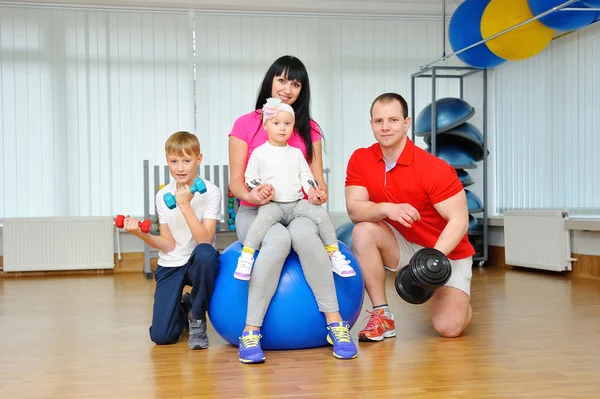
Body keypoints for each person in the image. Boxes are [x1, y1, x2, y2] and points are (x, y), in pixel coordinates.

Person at [228, 55, 358, 364]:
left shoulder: (308, 128)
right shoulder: (245, 124)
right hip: (257, 213)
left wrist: (318, 193)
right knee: (278, 240)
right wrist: (254, 194)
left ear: (302, 90)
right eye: (282, 80)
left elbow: (314, 180)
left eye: (296, 84)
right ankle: (250, 331)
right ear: (270, 81)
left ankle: (335, 325)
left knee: (306, 237)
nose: (287, 89)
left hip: (298, 210)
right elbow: (236, 182)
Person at [344, 93, 475, 341]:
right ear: (371, 124)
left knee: (449, 328)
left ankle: (460, 300)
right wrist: (386, 208)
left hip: (446, 252)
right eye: (378, 121)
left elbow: (459, 220)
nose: (385, 127)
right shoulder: (361, 159)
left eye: (393, 120)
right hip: (404, 244)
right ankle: (382, 316)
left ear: (407, 123)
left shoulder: (434, 168)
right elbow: (354, 209)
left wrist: (431, 264)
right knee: (362, 230)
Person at [234, 97, 355, 281]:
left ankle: (333, 254)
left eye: (287, 123)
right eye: (276, 123)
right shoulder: (259, 153)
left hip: (297, 204)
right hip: (272, 204)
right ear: (266, 125)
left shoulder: (296, 153)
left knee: (321, 214)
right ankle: (246, 257)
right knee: (260, 223)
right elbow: (250, 178)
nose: (282, 128)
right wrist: (258, 189)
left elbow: (307, 177)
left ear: (293, 126)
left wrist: (313, 190)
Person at [123, 131, 221, 350]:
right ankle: (183, 306)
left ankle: (197, 317)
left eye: (186, 160)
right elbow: (168, 244)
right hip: (172, 262)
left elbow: (205, 239)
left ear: (199, 159)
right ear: (167, 161)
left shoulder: (211, 192)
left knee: (205, 253)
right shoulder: (162, 195)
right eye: (174, 161)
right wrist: (140, 233)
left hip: (200, 262)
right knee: (161, 336)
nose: (180, 167)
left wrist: (185, 205)